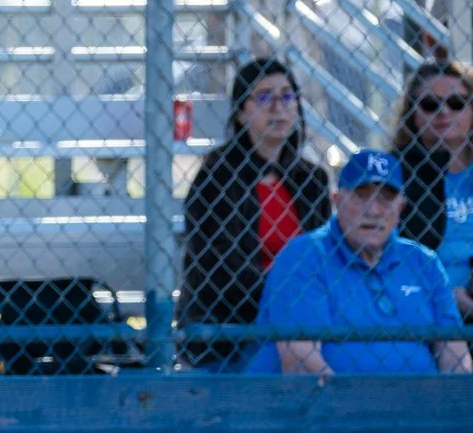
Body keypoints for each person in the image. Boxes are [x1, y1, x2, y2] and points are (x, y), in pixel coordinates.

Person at [249, 149, 471, 375]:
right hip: (332, 406)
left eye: (386, 197)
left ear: (401, 206)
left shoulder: (424, 262)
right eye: (361, 195)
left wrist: (452, 404)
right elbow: (300, 362)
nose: (373, 210)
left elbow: (455, 353)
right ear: (337, 200)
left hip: (423, 406)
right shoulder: (305, 256)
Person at [178, 58, 332, 371]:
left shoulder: (312, 180)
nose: (278, 107)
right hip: (233, 324)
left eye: (287, 96)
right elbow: (220, 269)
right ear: (240, 112)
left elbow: (323, 255)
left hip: (301, 316)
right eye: (264, 97)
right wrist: (284, 298)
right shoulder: (216, 178)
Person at [392, 60, 473, 322]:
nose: (443, 113)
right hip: (419, 304)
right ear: (413, 114)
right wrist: (447, 294)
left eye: (456, 103)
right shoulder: (395, 173)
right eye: (430, 104)